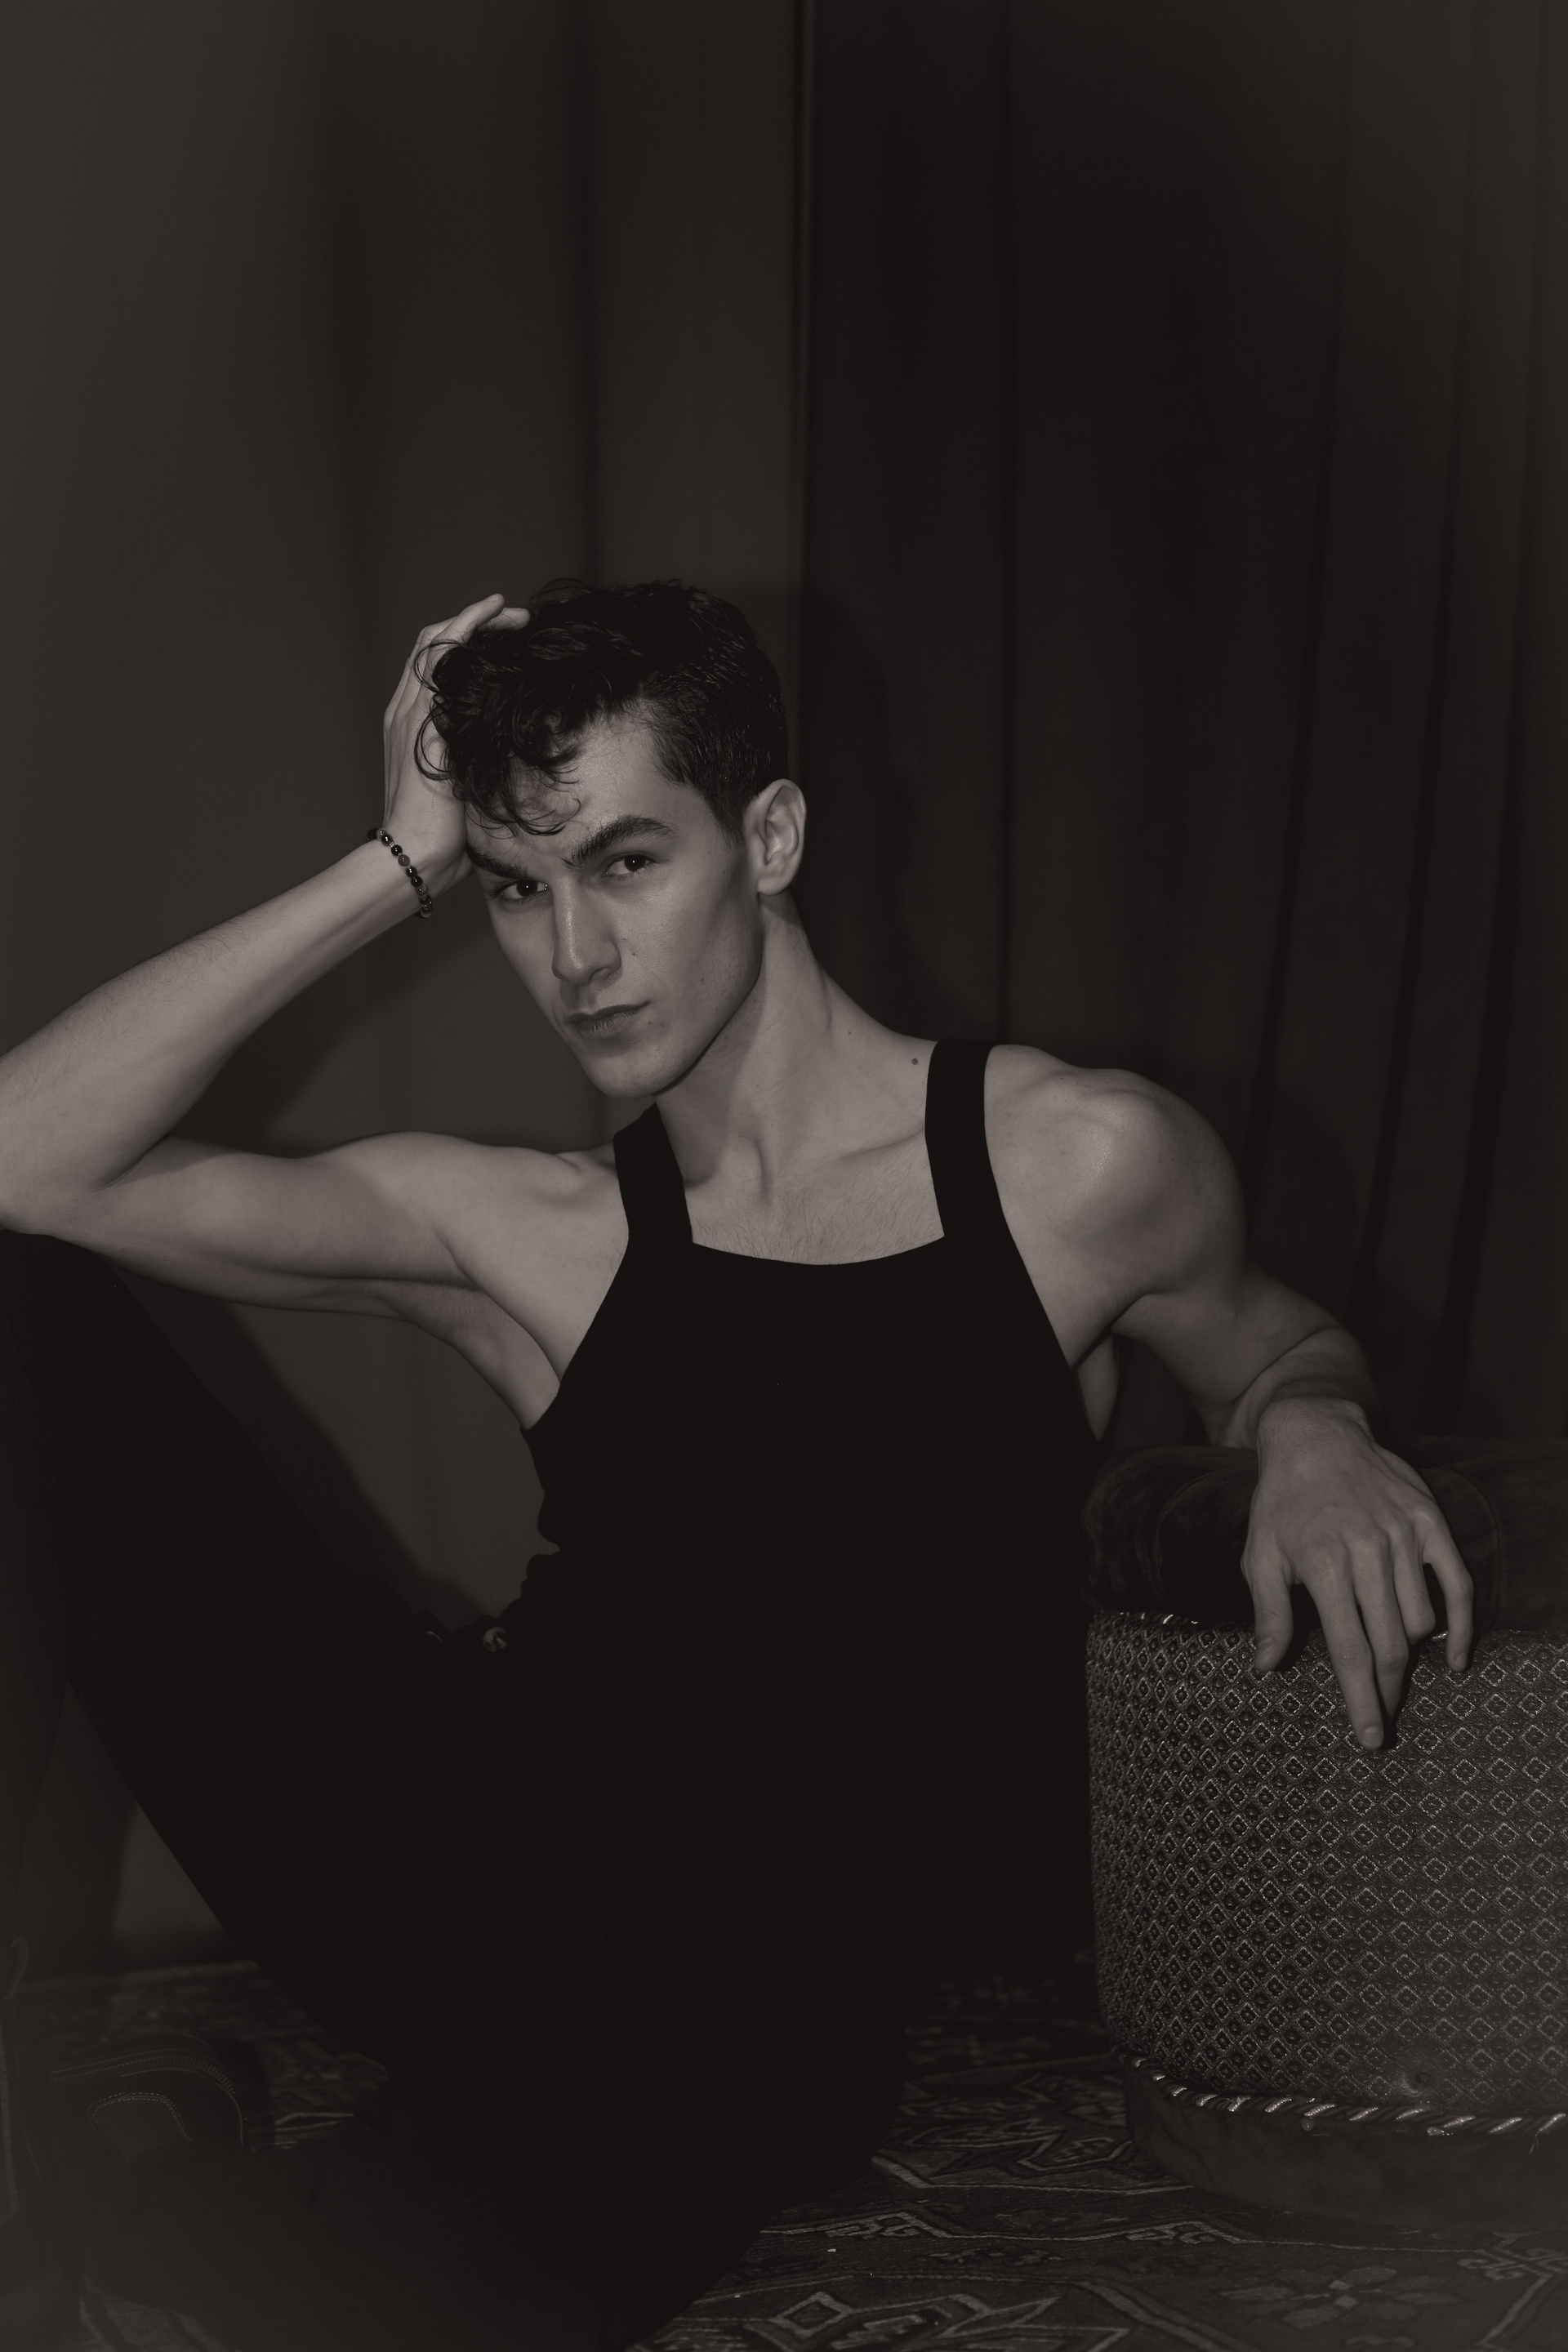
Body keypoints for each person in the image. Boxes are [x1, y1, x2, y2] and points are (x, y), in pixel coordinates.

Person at [0, 579, 1472, 2350]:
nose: (575, 956)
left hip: (741, 1993)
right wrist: (392, 864)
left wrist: (1313, 1427)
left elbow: (1278, 1343)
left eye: (626, 862)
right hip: (444, 1841)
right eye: (516, 889)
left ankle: (124, 2161)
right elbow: (25, 1165)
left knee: (426, 2278)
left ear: (767, 837)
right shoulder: (533, 1231)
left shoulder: (1074, 1167)